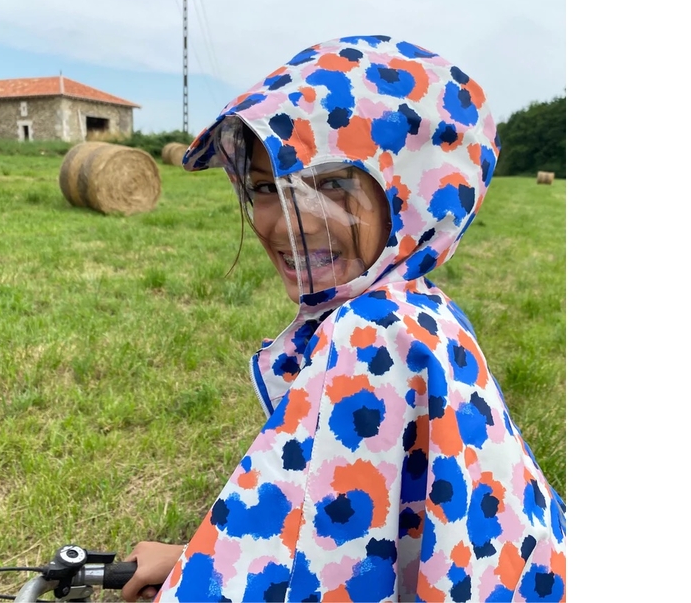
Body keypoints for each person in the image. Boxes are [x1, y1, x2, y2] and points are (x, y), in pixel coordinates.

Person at [121, 35, 565, 602]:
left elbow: (335, 576)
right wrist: (193, 555)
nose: (292, 222)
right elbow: (358, 525)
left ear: (415, 192)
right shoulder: (421, 308)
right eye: (265, 187)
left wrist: (192, 586)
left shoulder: (372, 333)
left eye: (330, 184)